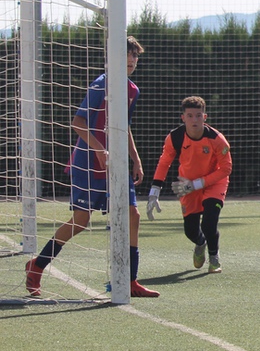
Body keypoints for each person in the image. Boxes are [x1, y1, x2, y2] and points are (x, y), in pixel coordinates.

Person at [24, 37, 160, 298]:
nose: (132, 61)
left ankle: (129, 280)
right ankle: (36, 267)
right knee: (81, 221)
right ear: (112, 59)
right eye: (127, 56)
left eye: (135, 57)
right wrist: (99, 149)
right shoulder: (101, 85)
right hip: (88, 163)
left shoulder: (132, 89)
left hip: (116, 164)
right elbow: (77, 122)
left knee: (133, 216)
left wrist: (136, 158)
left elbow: (124, 126)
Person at [147, 95, 233, 274]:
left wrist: (199, 183)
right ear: (183, 118)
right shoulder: (174, 137)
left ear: (205, 117)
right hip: (187, 185)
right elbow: (164, 163)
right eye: (190, 115)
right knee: (190, 231)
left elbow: (225, 169)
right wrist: (154, 191)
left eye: (198, 115)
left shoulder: (217, 139)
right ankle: (200, 243)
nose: (195, 119)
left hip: (213, 183)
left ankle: (214, 257)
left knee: (209, 223)